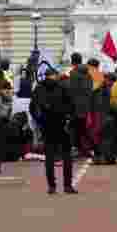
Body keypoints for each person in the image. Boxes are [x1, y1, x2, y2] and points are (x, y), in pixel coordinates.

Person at [30, 66, 77, 194]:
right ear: (55, 76)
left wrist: (40, 121)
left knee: (49, 157)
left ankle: (52, 186)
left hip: (47, 126)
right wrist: (69, 119)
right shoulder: (63, 87)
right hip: (62, 124)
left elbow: (33, 108)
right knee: (67, 156)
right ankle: (67, 185)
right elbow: (72, 106)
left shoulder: (39, 89)